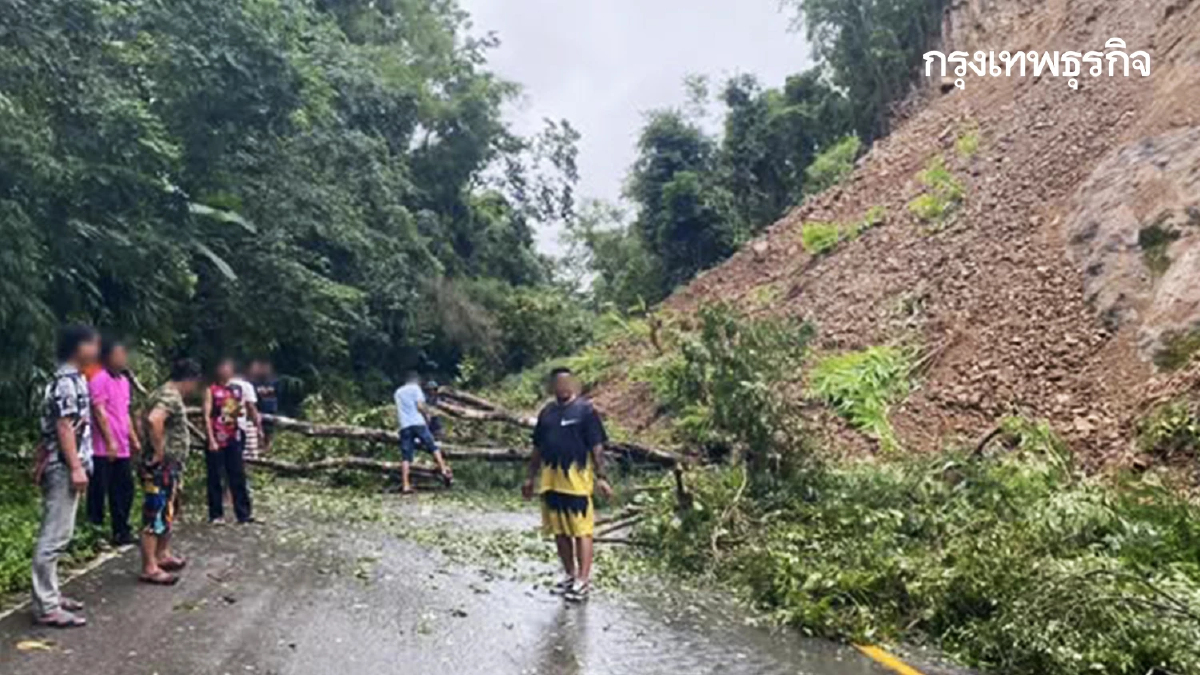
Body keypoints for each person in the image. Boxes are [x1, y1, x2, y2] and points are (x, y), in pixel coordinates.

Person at [522, 366, 612, 602]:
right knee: (559, 531)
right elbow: (537, 448)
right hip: (551, 482)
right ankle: (570, 575)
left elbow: (597, 446)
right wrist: (530, 477)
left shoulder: (585, 411)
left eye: (566, 382)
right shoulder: (547, 413)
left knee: (582, 532)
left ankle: (583, 580)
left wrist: (602, 477)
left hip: (577, 483)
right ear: (552, 387)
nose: (562, 387)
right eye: (557, 383)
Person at [32, 324, 100, 628]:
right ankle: (46, 605)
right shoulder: (66, 382)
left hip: (64, 464)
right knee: (54, 536)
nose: (97, 348)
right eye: (92, 343)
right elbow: (63, 427)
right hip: (62, 466)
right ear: (78, 347)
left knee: (62, 533)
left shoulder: (75, 380)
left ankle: (51, 595)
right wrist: (74, 467)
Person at [138, 358, 202, 585]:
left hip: (171, 466)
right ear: (190, 379)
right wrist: (158, 451)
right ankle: (149, 567)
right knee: (155, 512)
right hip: (161, 466)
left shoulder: (159, 392)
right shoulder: (169, 396)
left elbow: (140, 418)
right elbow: (154, 420)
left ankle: (162, 554)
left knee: (168, 509)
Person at [85, 337, 141, 546]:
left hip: (122, 446)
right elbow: (98, 411)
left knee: (124, 488)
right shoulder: (99, 378)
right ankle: (95, 530)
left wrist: (133, 438)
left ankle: (121, 529)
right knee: (99, 490)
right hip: (102, 448)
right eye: (120, 354)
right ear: (108, 357)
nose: (124, 358)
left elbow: (124, 413)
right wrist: (109, 442)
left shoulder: (123, 381)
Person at [202, 358, 254, 524]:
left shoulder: (235, 390)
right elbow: (207, 415)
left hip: (233, 436)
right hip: (216, 436)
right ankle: (216, 514)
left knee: (237, 474)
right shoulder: (211, 389)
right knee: (215, 476)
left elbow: (236, 413)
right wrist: (211, 439)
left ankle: (243, 513)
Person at [393, 372, 453, 494]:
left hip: (405, 425)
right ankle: (443, 470)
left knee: (406, 457)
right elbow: (420, 406)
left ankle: (405, 485)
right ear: (416, 381)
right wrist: (427, 416)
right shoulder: (416, 389)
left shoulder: (398, 392)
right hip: (418, 423)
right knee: (433, 447)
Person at [230, 365, 262, 461]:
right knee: (246, 458)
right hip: (241, 425)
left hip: (222, 426)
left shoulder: (221, 384)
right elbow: (251, 408)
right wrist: (259, 428)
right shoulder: (246, 386)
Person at [249, 360, 280, 455]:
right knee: (258, 433)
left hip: (271, 411)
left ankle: (268, 451)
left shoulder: (274, 381)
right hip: (259, 411)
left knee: (269, 433)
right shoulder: (253, 383)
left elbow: (278, 394)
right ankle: (259, 450)